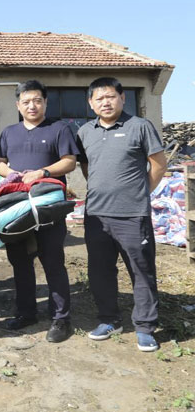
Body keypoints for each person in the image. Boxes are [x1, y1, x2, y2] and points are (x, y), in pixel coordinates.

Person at [76, 77, 167, 352]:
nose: (105, 102)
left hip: (132, 215)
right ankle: (109, 320)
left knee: (141, 271)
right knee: (100, 270)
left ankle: (145, 327)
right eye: (99, 98)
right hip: (96, 214)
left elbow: (158, 165)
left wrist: (140, 192)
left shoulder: (140, 126)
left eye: (111, 96)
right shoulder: (85, 132)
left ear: (122, 98)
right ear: (91, 103)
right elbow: (87, 166)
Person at [0, 79, 78, 343]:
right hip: (18, 207)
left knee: (52, 261)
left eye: (37, 101)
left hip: (49, 207)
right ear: (18, 105)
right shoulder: (9, 132)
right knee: (20, 262)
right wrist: (12, 173)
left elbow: (69, 161)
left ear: (45, 102)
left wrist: (42, 172)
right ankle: (26, 312)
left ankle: (60, 318)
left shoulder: (59, 129)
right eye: (26, 101)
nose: (32, 106)